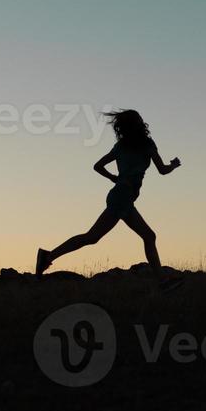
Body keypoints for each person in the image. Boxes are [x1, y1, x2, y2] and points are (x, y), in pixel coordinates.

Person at [36, 110, 181, 282]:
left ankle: (162, 281)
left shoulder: (121, 146)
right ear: (139, 124)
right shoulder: (147, 144)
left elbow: (98, 166)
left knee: (148, 236)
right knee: (92, 237)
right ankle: (48, 256)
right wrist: (174, 165)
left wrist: (115, 178)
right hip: (122, 198)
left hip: (122, 197)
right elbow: (162, 170)